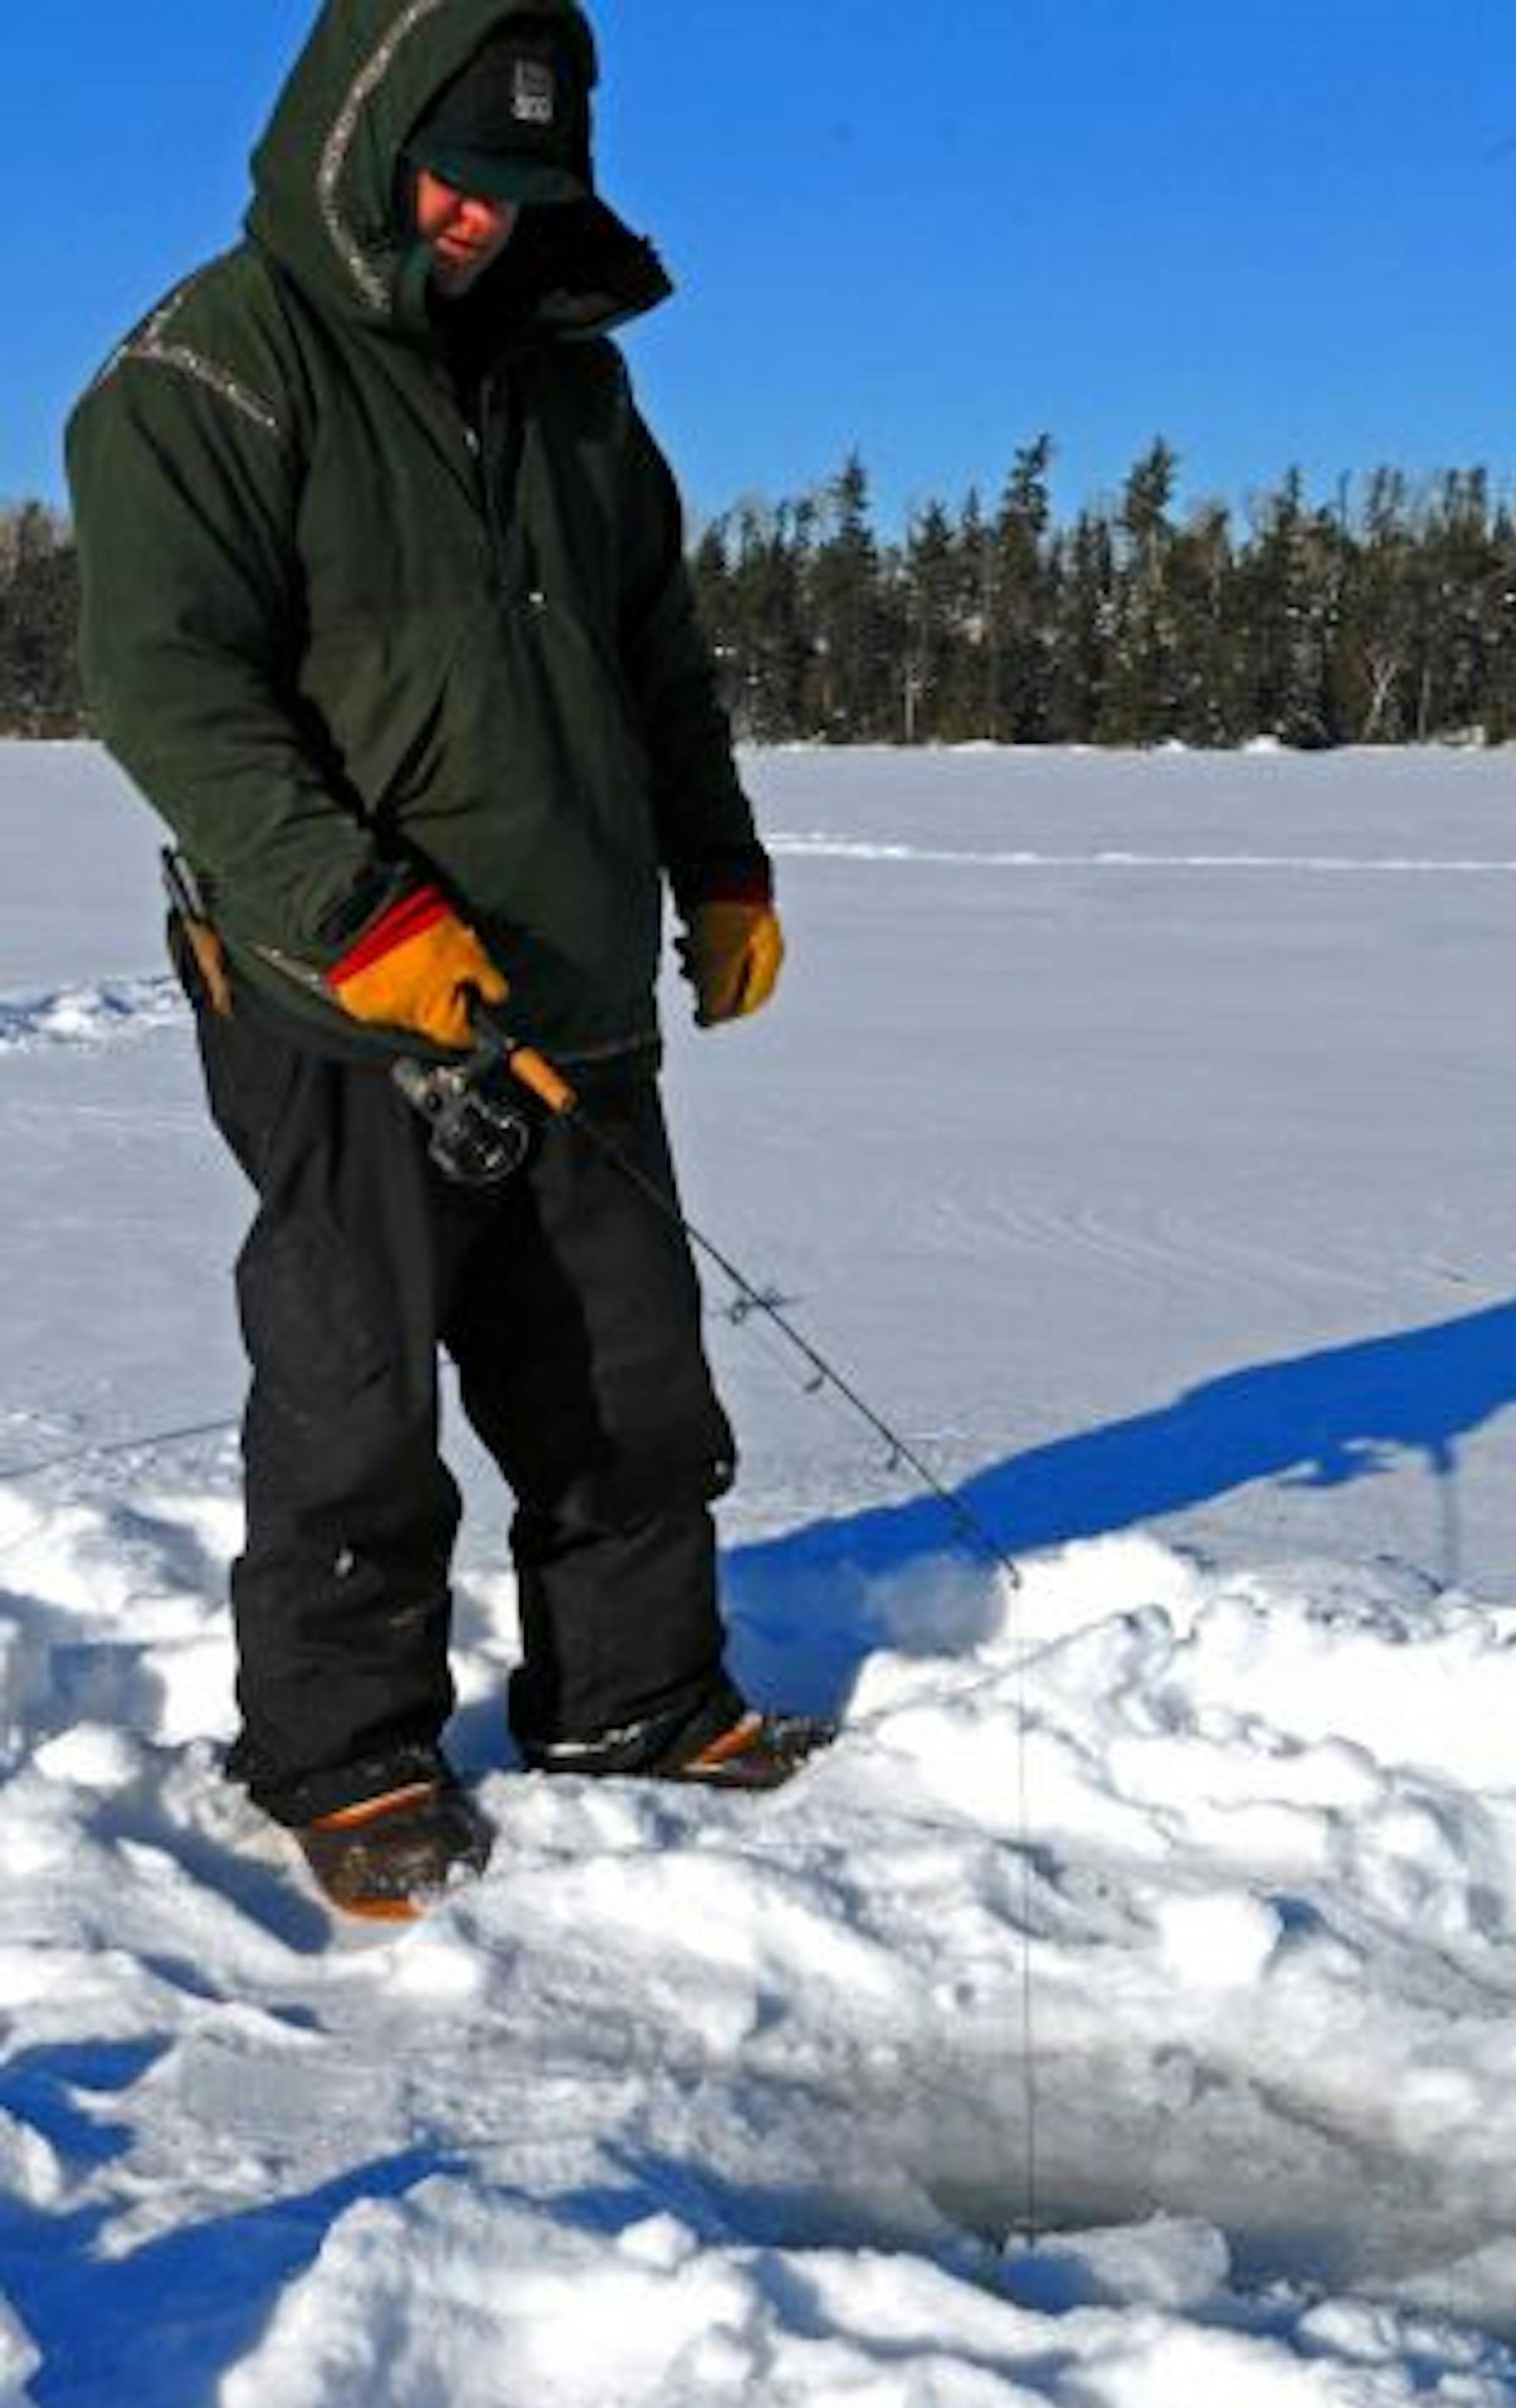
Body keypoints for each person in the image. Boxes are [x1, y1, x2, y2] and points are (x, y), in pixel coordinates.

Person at [66, 0, 827, 1921]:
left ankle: (636, 1695)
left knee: (627, 1378)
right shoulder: (207, 377)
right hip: (340, 1001)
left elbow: (653, 656)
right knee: (351, 1389)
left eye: (521, 188)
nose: (485, 225)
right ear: (363, 136)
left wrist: (718, 869)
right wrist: (358, 912)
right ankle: (345, 1750)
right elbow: (174, 692)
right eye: (455, 182)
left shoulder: (575, 382)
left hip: (573, 986)